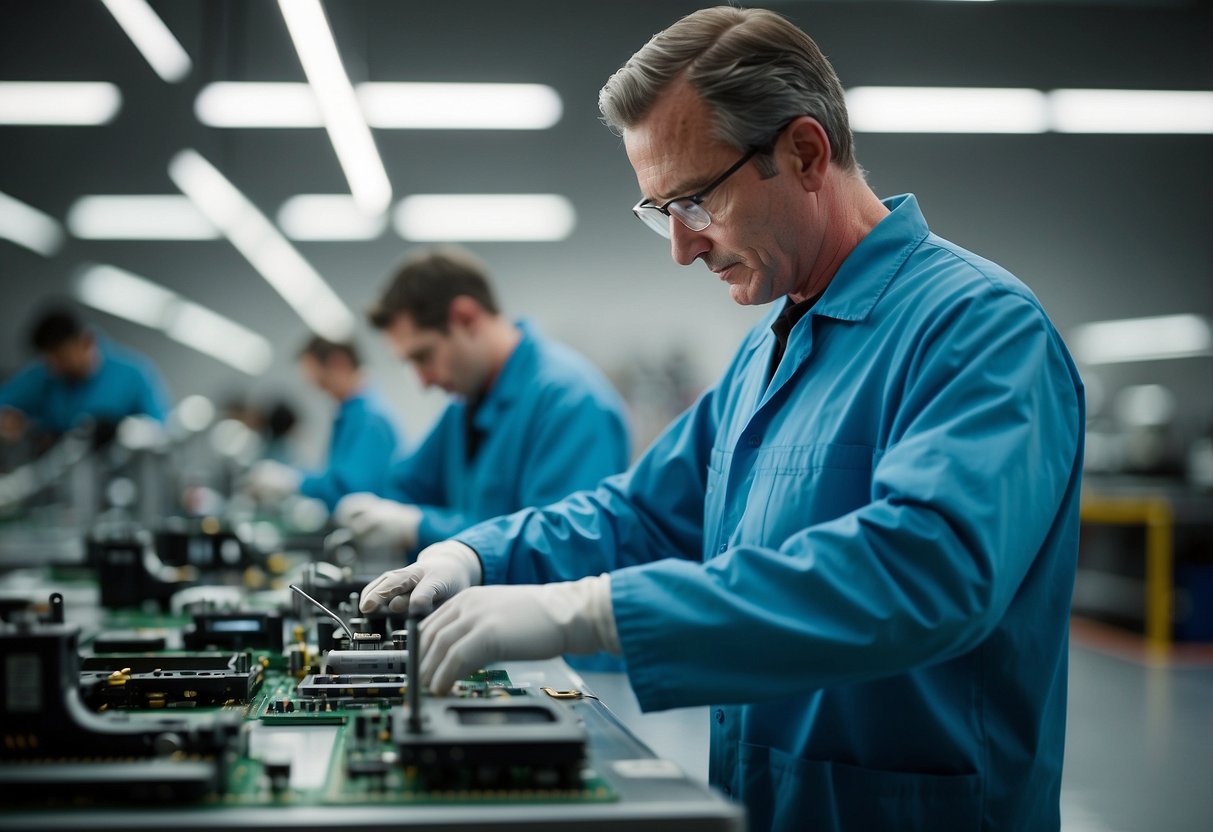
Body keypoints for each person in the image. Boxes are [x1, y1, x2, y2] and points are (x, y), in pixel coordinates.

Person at [357, 8, 1085, 832]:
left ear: (804, 153)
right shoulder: (767, 353)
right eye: (659, 210)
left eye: (695, 201)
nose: (680, 246)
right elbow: (641, 513)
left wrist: (592, 612)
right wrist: (477, 555)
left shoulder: (977, 329)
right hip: (761, 800)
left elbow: (926, 572)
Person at [336, 245, 630, 556]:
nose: (423, 382)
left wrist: (419, 527)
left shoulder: (570, 401)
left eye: (424, 356)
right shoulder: (465, 405)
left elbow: (563, 549)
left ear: (466, 318)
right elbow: (405, 486)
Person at [246, 337, 401, 511]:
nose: (323, 393)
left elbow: (352, 491)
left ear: (339, 363)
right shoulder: (351, 416)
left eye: (322, 383)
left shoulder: (371, 419)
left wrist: (296, 481)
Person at [0, 306, 170, 440]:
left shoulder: (133, 376)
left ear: (86, 342)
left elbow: (160, 430)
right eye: (49, 360)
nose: (55, 367)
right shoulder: (43, 377)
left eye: (61, 356)